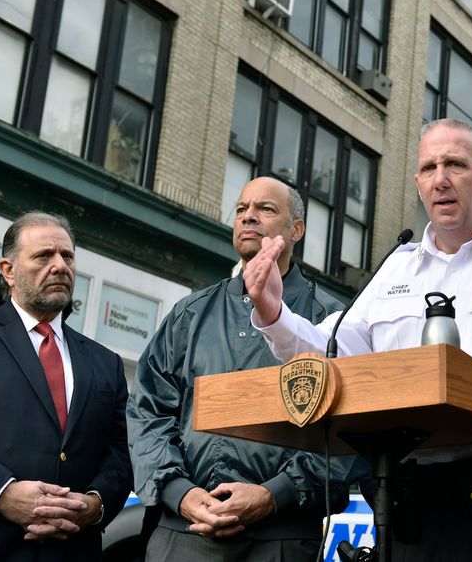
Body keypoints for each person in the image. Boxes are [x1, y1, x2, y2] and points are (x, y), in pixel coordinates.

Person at [245, 118, 472, 561]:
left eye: (455, 164)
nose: (440, 179)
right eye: (429, 168)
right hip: (411, 520)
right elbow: (334, 355)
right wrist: (274, 314)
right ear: (417, 183)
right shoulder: (393, 268)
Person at [127, 176, 354, 561]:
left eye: (266, 209)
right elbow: (147, 411)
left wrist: (274, 494)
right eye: (241, 209)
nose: (248, 217)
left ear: (296, 229)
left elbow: (349, 432)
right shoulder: (189, 314)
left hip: (280, 540)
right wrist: (181, 493)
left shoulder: (331, 321)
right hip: (183, 532)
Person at [0, 211, 131, 561]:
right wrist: (1, 494)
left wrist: (94, 504)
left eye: (67, 256)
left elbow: (121, 453)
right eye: (43, 256)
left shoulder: (106, 363)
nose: (60, 266)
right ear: (8, 270)